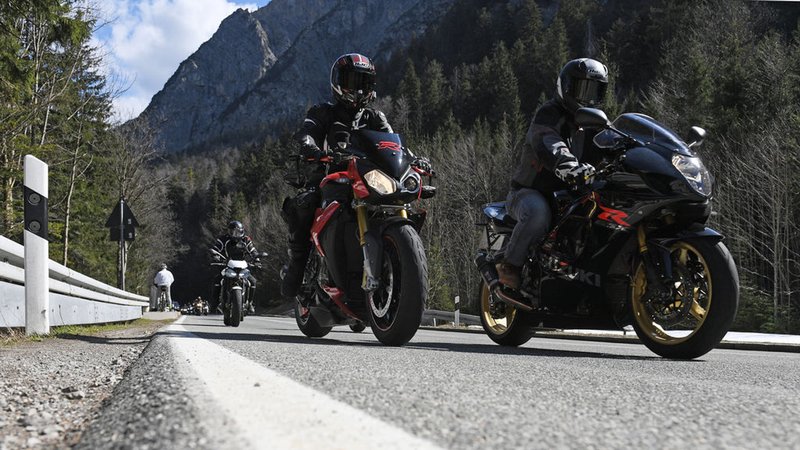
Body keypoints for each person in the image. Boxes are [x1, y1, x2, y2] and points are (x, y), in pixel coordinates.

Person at [279, 52, 395, 298]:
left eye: (364, 82)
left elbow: (393, 146)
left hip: (367, 179)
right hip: (329, 175)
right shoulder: (323, 112)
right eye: (353, 82)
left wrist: (411, 159)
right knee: (305, 203)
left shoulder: (375, 118)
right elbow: (307, 132)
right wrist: (310, 147)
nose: (358, 89)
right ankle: (297, 264)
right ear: (338, 82)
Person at [497, 57, 608, 291]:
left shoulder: (593, 123)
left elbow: (611, 143)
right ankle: (510, 266)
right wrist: (568, 166)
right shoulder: (549, 114)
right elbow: (549, 142)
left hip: (571, 195)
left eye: (594, 91)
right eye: (582, 89)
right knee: (538, 213)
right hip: (529, 192)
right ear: (566, 87)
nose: (587, 98)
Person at [209, 220, 261, 314]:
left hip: (242, 266)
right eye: (233, 232)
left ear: (242, 231)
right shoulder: (223, 239)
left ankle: (250, 303)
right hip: (227, 265)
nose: (235, 235)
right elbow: (216, 248)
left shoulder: (246, 240)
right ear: (229, 231)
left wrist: (257, 259)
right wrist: (215, 255)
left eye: (238, 232)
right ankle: (214, 304)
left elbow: (253, 250)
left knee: (253, 281)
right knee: (217, 280)